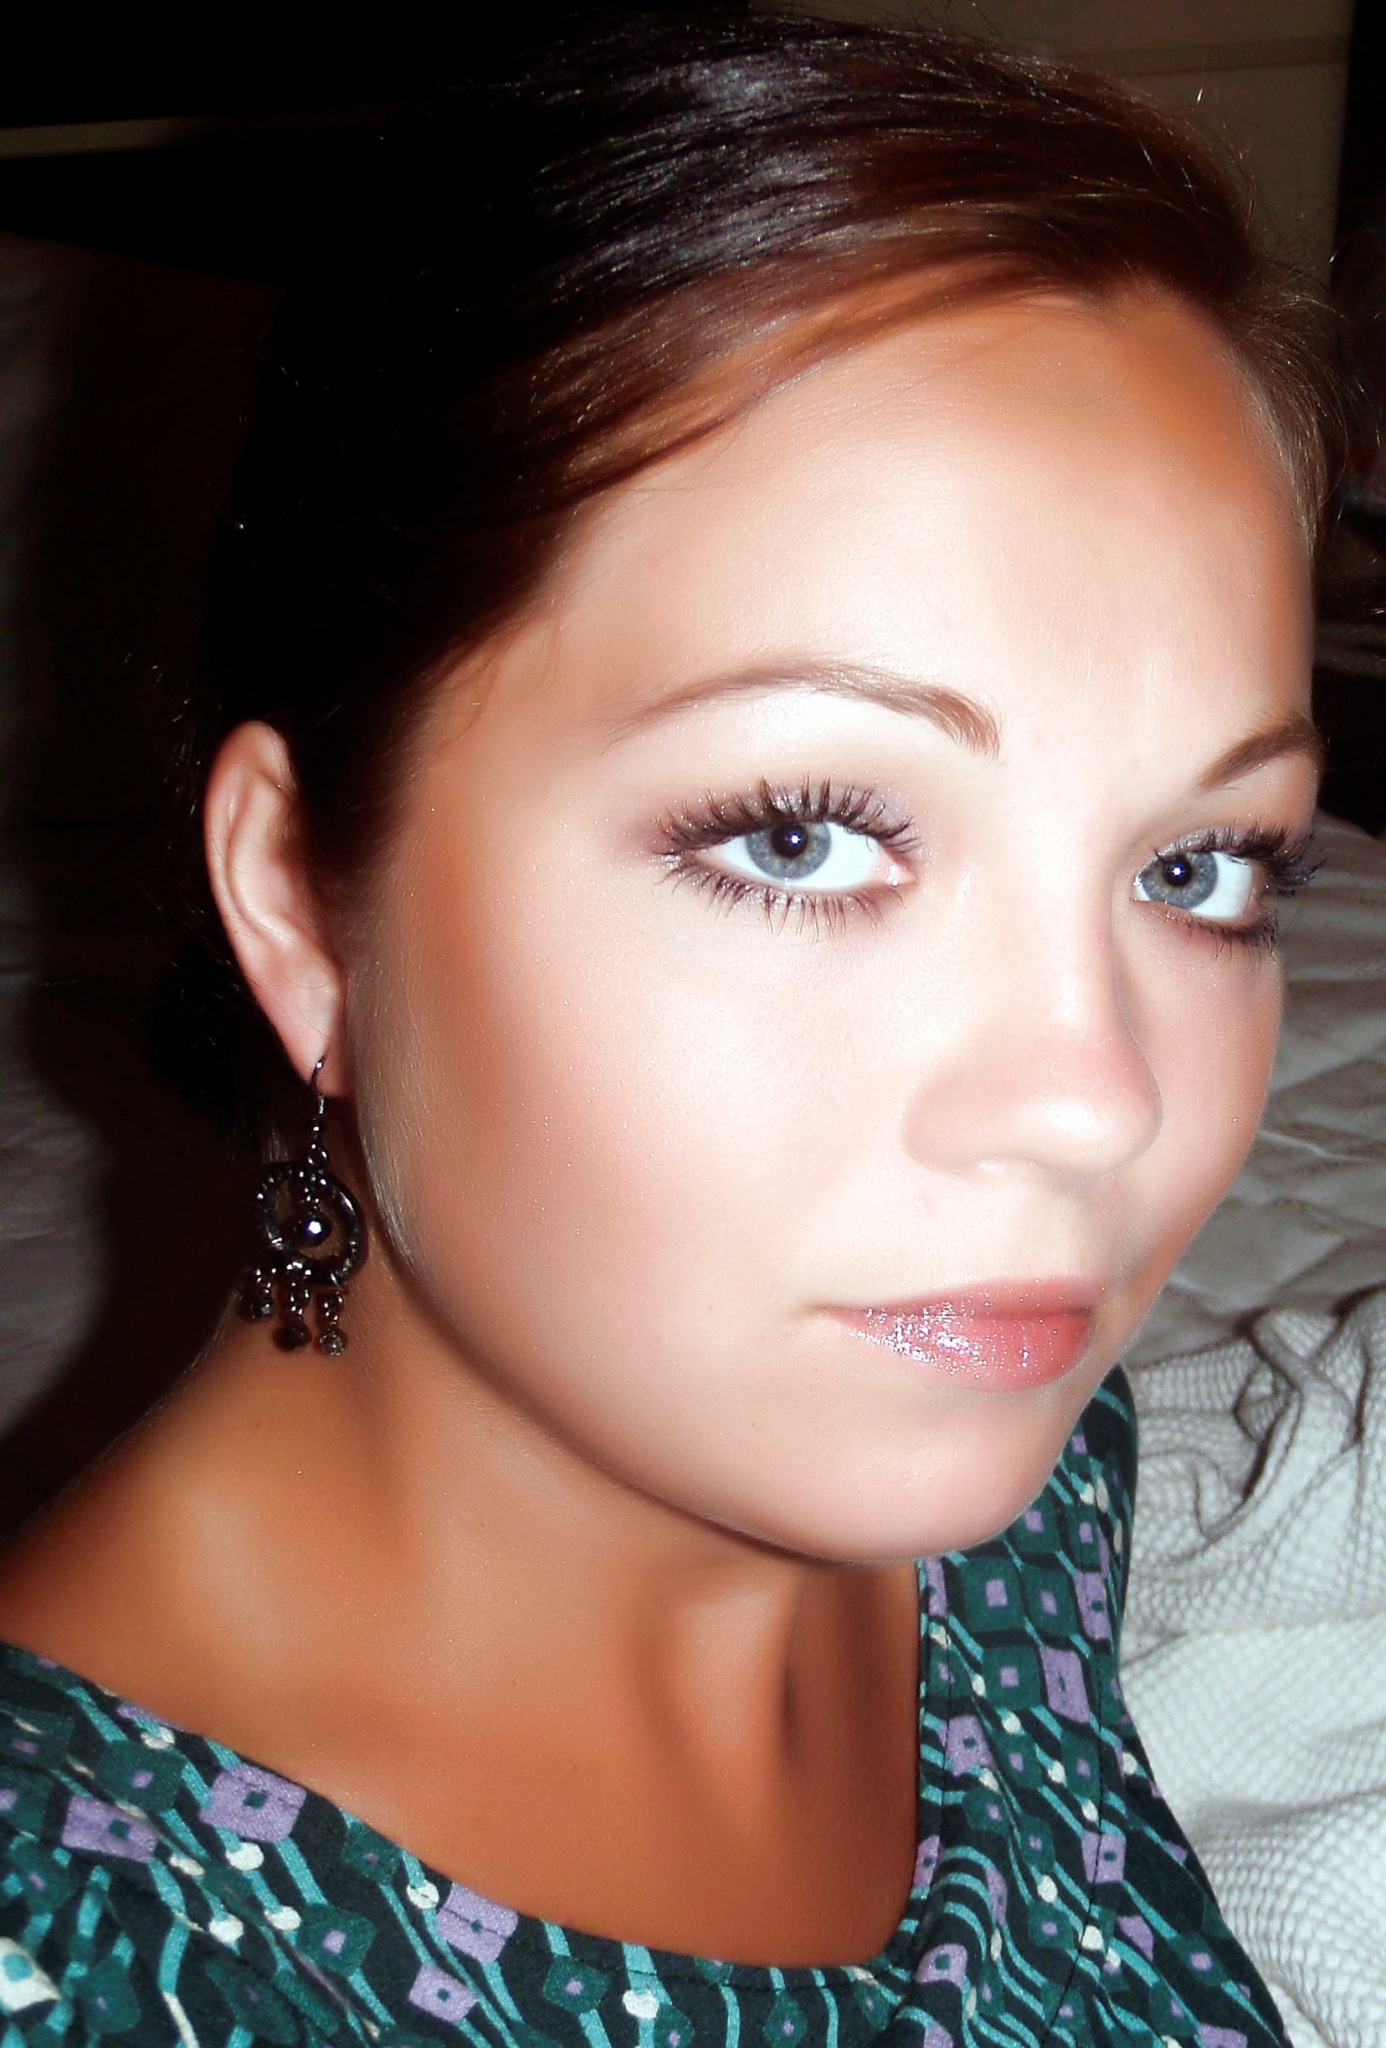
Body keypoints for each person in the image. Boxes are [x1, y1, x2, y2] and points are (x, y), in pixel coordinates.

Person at [0, 11, 1335, 2043]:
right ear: (297, 898)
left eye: (1200, 867)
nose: (1097, 1102)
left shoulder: (1013, 1482)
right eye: (802, 837)